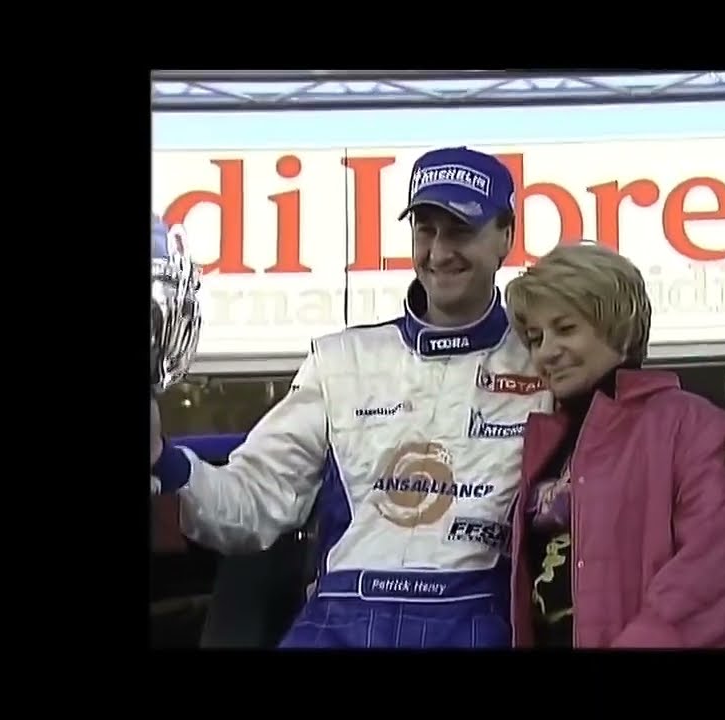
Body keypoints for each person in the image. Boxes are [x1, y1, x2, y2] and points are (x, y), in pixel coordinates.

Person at [149, 146, 555, 648]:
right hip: (342, 621)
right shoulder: (342, 360)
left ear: (506, 237)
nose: (438, 252)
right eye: (425, 230)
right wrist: (163, 459)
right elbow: (253, 502)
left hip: (476, 623)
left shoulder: (545, 365)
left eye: (460, 231)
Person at [503, 243, 725, 648]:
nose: (547, 352)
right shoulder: (540, 441)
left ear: (618, 328)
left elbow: (711, 575)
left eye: (566, 329)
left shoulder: (694, 426)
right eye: (536, 338)